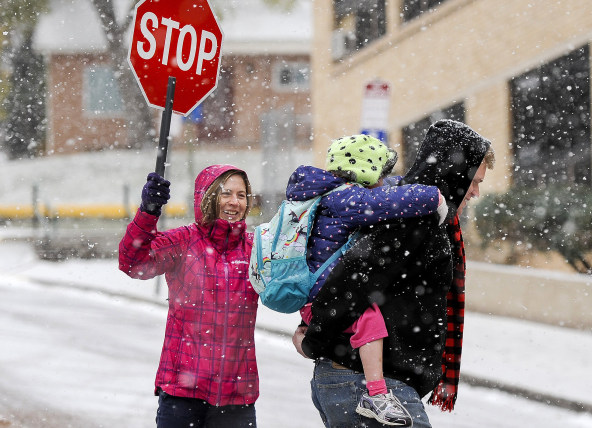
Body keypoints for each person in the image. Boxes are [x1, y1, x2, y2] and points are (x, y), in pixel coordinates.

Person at [292, 119, 495, 427]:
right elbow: (350, 279)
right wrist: (314, 340)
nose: (476, 192)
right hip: (370, 387)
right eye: (474, 181)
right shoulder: (416, 221)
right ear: (453, 175)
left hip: (370, 382)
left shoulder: (421, 217)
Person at [119, 165, 259, 428]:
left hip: (236, 395)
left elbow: (288, 286)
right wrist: (148, 213)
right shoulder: (184, 241)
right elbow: (133, 262)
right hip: (182, 393)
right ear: (207, 197)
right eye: (225, 193)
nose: (234, 202)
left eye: (241, 195)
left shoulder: (255, 248)